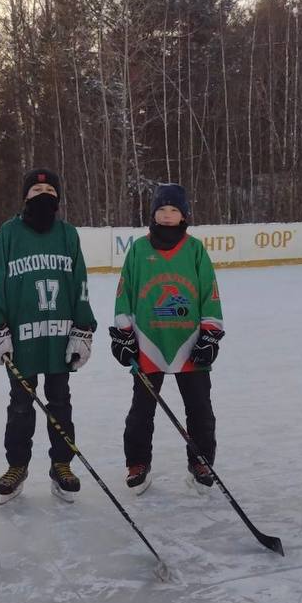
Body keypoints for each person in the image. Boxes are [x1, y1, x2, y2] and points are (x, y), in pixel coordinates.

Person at [0, 168, 96, 503]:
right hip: (22, 339)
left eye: (49, 188)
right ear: (25, 197)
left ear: (57, 197)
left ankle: (61, 463)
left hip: (59, 337)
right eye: (35, 189)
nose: (42, 193)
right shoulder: (9, 233)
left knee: (60, 402)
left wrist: (84, 328)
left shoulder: (68, 234)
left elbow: (81, 284)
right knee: (20, 404)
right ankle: (17, 465)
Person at [109, 183, 224, 494]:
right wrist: (123, 333)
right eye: (162, 209)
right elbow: (125, 293)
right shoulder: (139, 249)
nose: (168, 215)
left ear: (184, 214)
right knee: (141, 410)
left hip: (190, 342)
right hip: (148, 341)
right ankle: (138, 463)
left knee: (200, 408)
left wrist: (210, 335)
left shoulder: (195, 249)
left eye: (174, 210)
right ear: (153, 214)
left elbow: (209, 295)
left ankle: (201, 461)